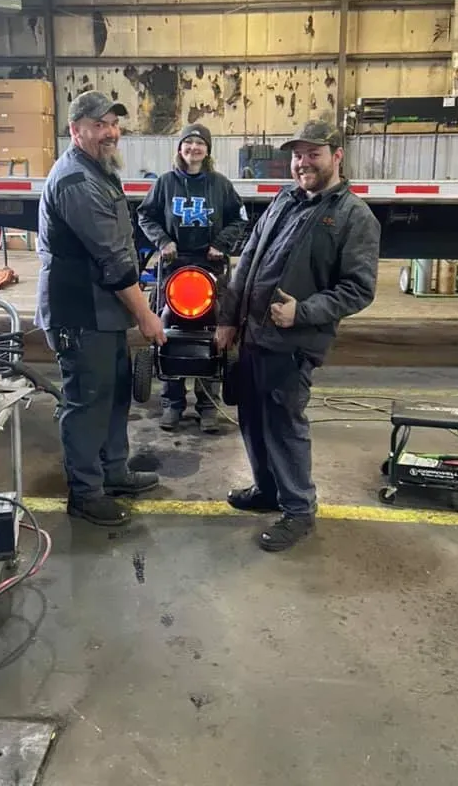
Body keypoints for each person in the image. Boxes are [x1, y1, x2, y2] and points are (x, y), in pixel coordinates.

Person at [215, 120, 381, 552]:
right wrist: (228, 318)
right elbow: (249, 260)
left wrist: (302, 312)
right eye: (297, 155)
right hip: (253, 335)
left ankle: (299, 509)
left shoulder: (354, 217)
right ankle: (267, 489)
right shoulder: (284, 200)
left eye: (313, 154)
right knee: (252, 418)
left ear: (337, 156)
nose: (303, 163)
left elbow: (358, 289)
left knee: (284, 424)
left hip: (292, 342)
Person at [36, 90, 166, 528]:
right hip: (79, 313)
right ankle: (86, 493)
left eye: (113, 123)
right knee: (87, 402)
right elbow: (112, 259)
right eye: (99, 125)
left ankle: (114, 472)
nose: (110, 132)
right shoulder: (76, 181)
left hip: (102, 312)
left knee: (114, 394)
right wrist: (146, 315)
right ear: (76, 130)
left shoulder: (99, 170)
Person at [136, 123, 247, 433]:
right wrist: (163, 242)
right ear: (180, 148)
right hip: (174, 264)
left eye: (200, 143)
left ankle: (207, 406)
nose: (194, 148)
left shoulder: (220, 185)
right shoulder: (165, 183)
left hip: (210, 265)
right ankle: (172, 404)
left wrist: (221, 244)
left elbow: (239, 218)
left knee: (213, 332)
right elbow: (145, 215)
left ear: (207, 150)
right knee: (168, 330)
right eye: (189, 142)